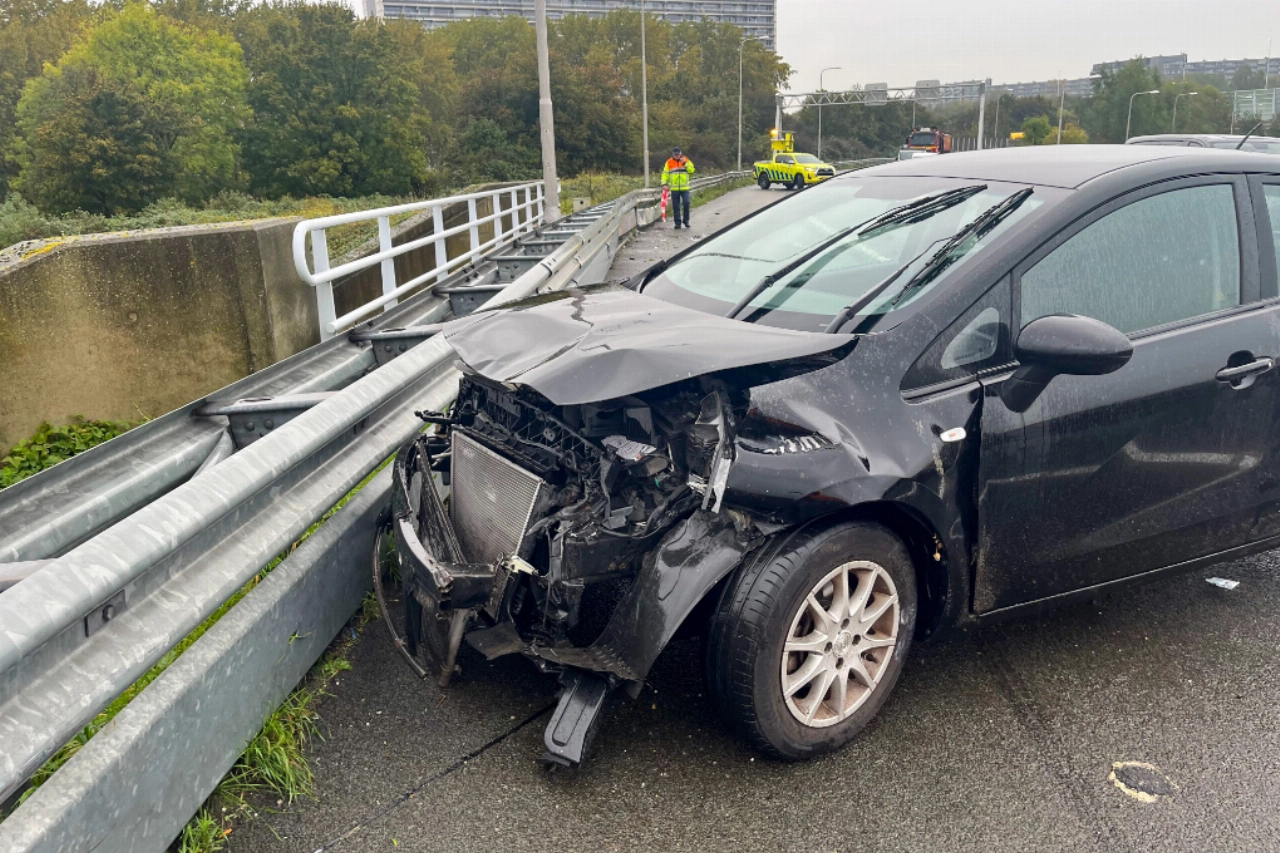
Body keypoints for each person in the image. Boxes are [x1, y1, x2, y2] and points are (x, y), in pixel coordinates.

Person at [661, 147, 695, 229]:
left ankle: (686, 221)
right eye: (675, 154)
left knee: (686, 203)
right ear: (673, 154)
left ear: (680, 153)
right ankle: (677, 223)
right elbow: (665, 174)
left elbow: (692, 170)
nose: (677, 156)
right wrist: (664, 184)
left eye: (678, 154)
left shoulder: (686, 160)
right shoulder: (669, 162)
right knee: (676, 207)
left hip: (685, 188)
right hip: (674, 188)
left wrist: (685, 164)